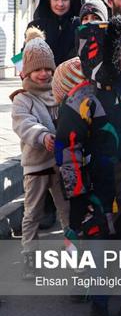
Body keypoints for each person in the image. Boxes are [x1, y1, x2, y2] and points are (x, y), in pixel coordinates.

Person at [56, 16, 121, 316]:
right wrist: (78, 194)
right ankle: (99, 306)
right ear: (104, 55)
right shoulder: (82, 99)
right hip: (95, 191)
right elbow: (67, 149)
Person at [11, 28, 70, 279]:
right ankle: (30, 258)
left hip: (61, 164)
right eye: (38, 69)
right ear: (27, 72)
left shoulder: (59, 93)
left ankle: (73, 253)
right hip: (36, 165)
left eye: (48, 69)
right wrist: (43, 136)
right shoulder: (22, 99)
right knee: (32, 213)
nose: (44, 74)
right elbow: (24, 125)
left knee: (66, 211)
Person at [27, 0, 81, 66]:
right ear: (49, 1)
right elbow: (22, 54)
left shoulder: (80, 25)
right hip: (43, 78)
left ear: (71, 1)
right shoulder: (35, 26)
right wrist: (24, 72)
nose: (60, 4)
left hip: (72, 78)